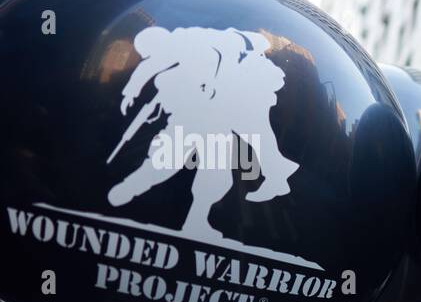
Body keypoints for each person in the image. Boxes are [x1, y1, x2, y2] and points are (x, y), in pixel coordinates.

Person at [107, 26, 298, 242]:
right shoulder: (183, 47)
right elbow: (152, 67)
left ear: (159, 43)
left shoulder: (189, 40)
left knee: (215, 170)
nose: (152, 59)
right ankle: (131, 188)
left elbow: (213, 57)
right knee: (169, 159)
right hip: (198, 112)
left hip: (217, 112)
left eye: (151, 53)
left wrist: (212, 83)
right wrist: (131, 91)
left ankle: (196, 220)